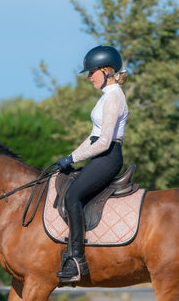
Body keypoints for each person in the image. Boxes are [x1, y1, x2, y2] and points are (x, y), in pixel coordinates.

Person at [54, 45, 129, 283]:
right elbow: (92, 137)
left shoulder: (114, 98)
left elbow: (104, 141)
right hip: (100, 154)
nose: (88, 77)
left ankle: (76, 259)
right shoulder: (106, 97)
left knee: (72, 196)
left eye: (92, 72)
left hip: (108, 156)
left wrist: (73, 159)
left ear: (107, 71)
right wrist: (70, 157)